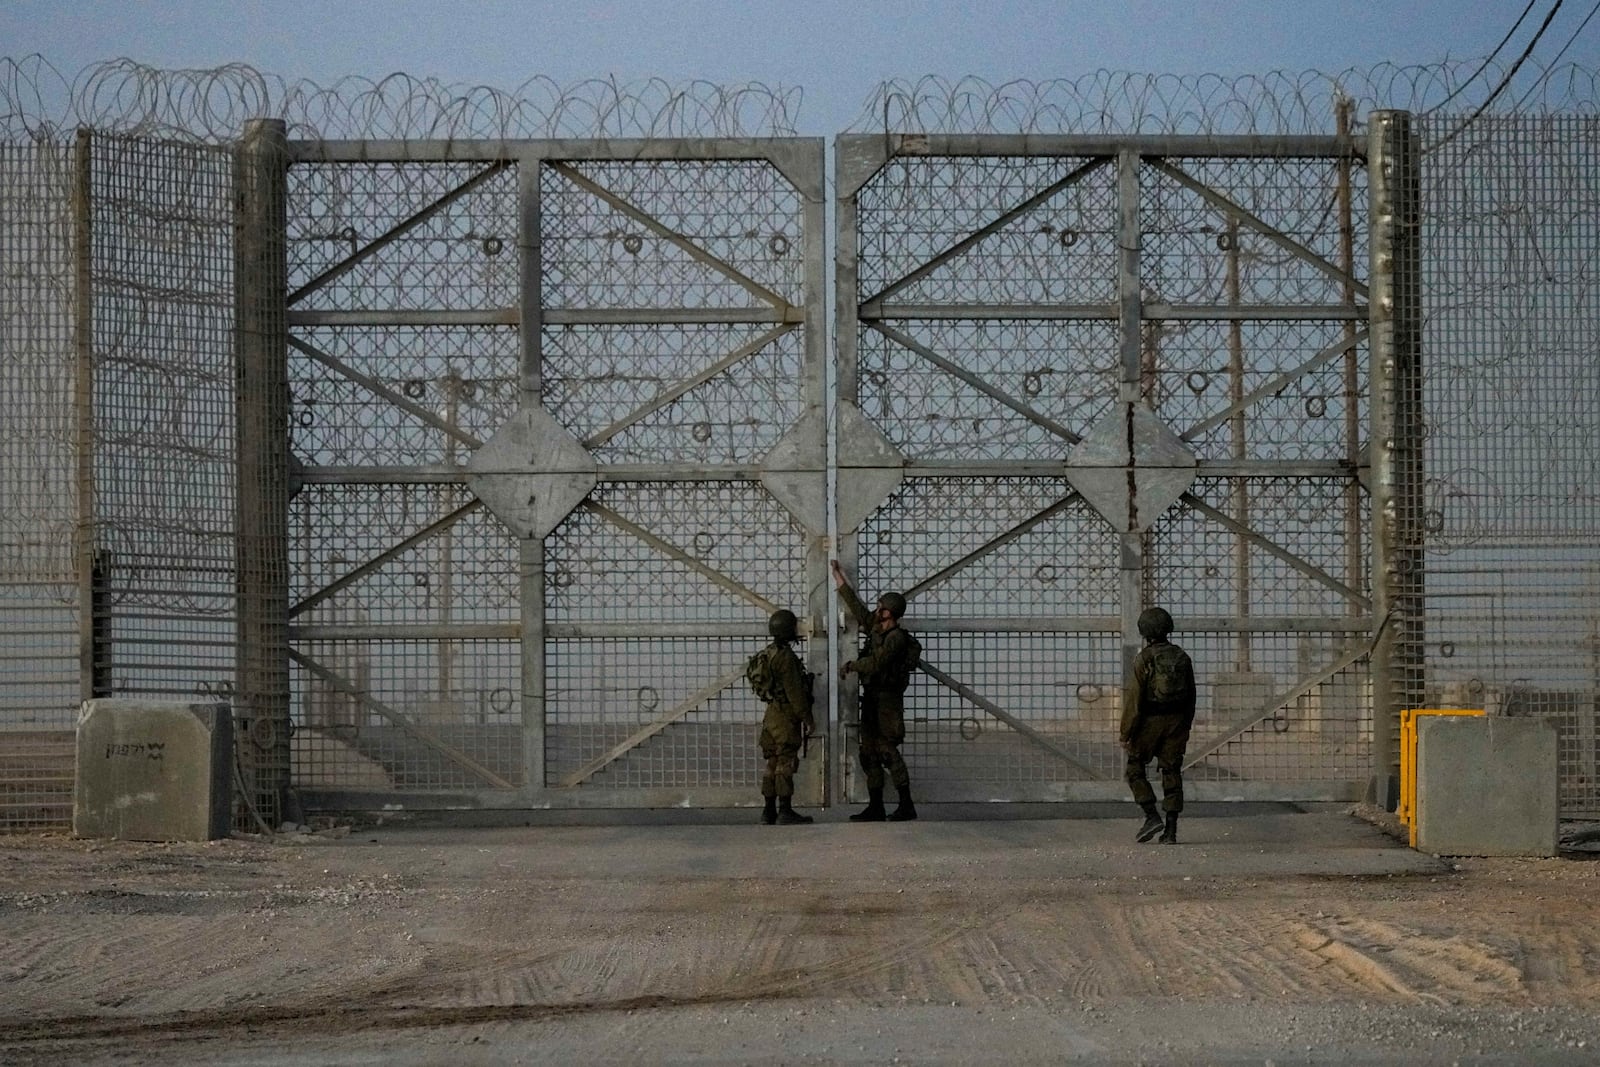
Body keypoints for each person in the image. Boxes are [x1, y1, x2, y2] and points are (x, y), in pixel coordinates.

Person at [830, 559, 920, 822]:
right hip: (871, 699)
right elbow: (857, 608)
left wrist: (852, 665)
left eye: (881, 607)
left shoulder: (896, 639)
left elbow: (878, 662)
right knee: (868, 752)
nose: (877, 609)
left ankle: (907, 805)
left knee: (887, 750)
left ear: (889, 613)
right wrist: (839, 578)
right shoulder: (877, 628)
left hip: (887, 703)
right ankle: (876, 806)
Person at [1121, 606, 1197, 844]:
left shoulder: (1144, 658)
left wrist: (1126, 732)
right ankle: (1171, 831)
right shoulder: (1182, 656)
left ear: (1144, 631)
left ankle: (1151, 815)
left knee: (1134, 769)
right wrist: (1185, 725)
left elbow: (1134, 699)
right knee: (1171, 772)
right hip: (1177, 721)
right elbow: (1192, 695)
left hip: (1150, 722)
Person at [748, 609, 815, 825]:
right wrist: (807, 718)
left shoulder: (768, 653)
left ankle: (768, 811)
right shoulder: (785, 657)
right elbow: (795, 692)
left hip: (771, 715)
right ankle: (785, 810)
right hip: (785, 715)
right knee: (785, 762)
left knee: (772, 763)